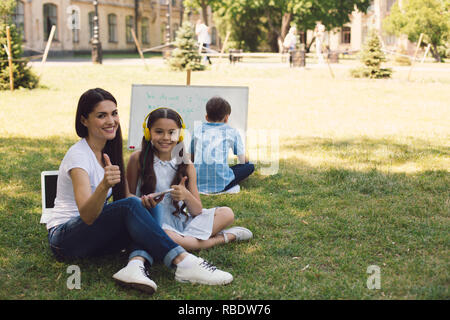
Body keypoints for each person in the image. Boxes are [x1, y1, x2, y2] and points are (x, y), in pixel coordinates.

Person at [46, 88, 234, 295]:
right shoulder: (79, 157)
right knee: (132, 205)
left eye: (114, 113)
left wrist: (145, 202)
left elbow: (125, 198)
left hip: (92, 237)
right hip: (65, 240)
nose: (111, 120)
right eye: (101, 115)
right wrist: (104, 186)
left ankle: (135, 266)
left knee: (145, 208)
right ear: (84, 120)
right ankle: (183, 262)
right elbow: (87, 215)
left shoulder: (108, 150)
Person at [127, 107, 253, 251]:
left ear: (180, 135)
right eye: (159, 131)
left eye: (172, 132)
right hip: (152, 221)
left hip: (180, 220)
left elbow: (197, 210)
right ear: (148, 133)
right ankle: (224, 237)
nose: (166, 137)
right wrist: (141, 201)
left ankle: (184, 239)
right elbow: (126, 196)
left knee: (227, 213)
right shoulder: (137, 158)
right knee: (169, 237)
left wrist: (186, 195)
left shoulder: (186, 164)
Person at [189, 97, 254, 195]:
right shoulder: (232, 132)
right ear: (227, 118)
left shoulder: (198, 130)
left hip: (197, 182)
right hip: (220, 184)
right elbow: (242, 160)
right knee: (249, 166)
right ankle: (222, 180)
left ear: (206, 117)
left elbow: (191, 158)